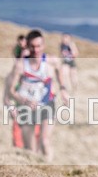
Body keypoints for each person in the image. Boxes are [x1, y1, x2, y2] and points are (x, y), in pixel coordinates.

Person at [7, 29, 70, 161]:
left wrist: (63, 89)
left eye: (39, 46)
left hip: (47, 104)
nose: (36, 50)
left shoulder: (51, 61)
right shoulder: (20, 65)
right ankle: (35, 170)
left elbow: (59, 70)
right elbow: (11, 91)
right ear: (27, 46)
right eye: (32, 46)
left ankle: (49, 168)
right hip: (27, 108)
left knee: (45, 141)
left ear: (44, 45)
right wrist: (24, 101)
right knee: (31, 149)